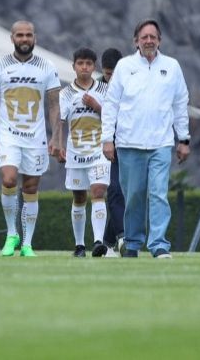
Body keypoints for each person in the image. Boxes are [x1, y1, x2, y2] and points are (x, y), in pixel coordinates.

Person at [102, 19, 190, 259]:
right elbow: (111, 104)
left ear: (159, 40)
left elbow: (180, 103)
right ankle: (132, 244)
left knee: (159, 194)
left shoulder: (172, 66)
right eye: (144, 37)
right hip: (129, 143)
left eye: (153, 37)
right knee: (133, 196)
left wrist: (184, 139)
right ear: (136, 41)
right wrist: (107, 139)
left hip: (161, 143)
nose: (149, 41)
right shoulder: (124, 66)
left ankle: (159, 244)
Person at [0, 21, 62, 258]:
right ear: (12, 38)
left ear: (34, 37)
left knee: (30, 187)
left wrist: (56, 137)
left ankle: (27, 243)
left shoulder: (46, 66)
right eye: (20, 35)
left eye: (28, 35)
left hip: (35, 137)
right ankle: (11, 234)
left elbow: (54, 104)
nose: (24, 39)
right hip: (8, 135)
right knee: (8, 179)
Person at [58, 48, 111, 257]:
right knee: (79, 197)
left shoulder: (105, 91)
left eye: (89, 64)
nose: (85, 67)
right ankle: (79, 245)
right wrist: (58, 145)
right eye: (80, 63)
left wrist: (97, 106)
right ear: (74, 66)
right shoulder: (66, 94)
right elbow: (60, 121)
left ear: (94, 67)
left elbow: (113, 118)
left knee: (98, 191)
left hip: (99, 151)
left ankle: (98, 242)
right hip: (76, 152)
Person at [98, 48, 125, 257]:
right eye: (107, 74)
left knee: (121, 191)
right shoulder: (97, 86)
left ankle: (106, 243)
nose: (111, 78)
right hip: (103, 146)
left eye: (114, 73)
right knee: (113, 190)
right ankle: (122, 237)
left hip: (125, 143)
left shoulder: (128, 84)